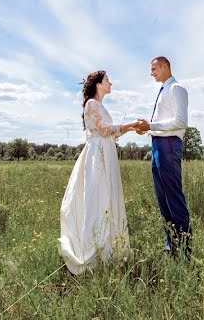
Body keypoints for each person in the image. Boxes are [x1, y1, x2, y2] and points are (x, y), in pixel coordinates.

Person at [59, 70, 140, 274]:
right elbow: (104, 130)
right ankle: (93, 255)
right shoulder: (92, 104)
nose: (110, 83)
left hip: (106, 152)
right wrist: (130, 126)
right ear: (98, 84)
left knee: (109, 199)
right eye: (107, 81)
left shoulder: (100, 105)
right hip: (98, 157)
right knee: (98, 200)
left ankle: (110, 251)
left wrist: (124, 130)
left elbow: (107, 132)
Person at [134, 56, 191, 257]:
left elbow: (180, 122)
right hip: (158, 145)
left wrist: (151, 126)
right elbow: (162, 123)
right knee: (162, 199)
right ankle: (171, 245)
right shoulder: (163, 90)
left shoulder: (177, 89)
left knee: (173, 198)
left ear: (165, 66)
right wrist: (148, 130)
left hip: (169, 146)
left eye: (154, 68)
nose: (151, 73)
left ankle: (184, 250)